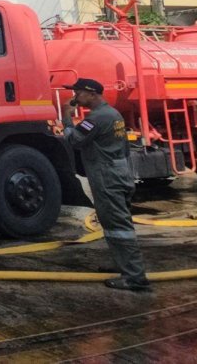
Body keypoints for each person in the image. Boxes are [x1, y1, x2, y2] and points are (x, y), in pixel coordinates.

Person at [62, 78, 151, 292]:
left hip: (107, 176)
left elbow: (74, 140)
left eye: (79, 93)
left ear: (92, 94)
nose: (75, 97)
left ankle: (134, 277)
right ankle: (122, 264)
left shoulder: (96, 118)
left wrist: (66, 117)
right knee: (113, 223)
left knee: (118, 226)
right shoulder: (113, 114)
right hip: (119, 171)